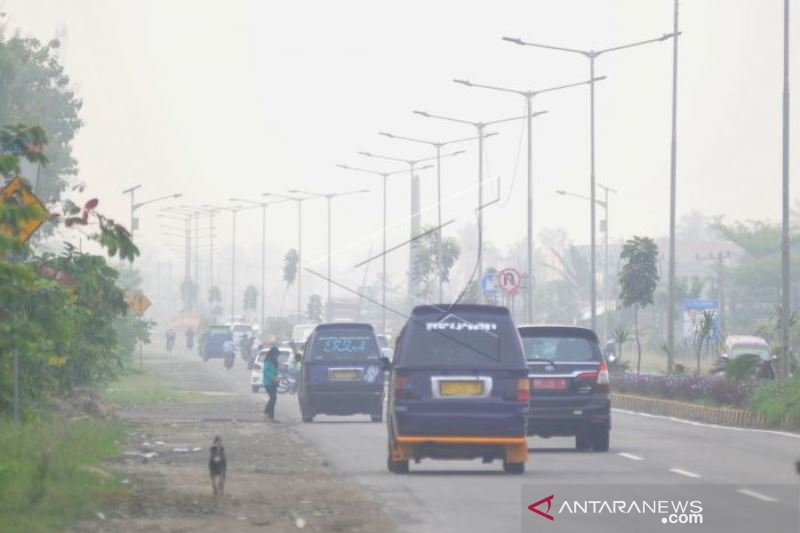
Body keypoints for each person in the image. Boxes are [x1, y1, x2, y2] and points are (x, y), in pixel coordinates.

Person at [262, 345, 280, 422]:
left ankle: (271, 417)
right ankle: (266, 414)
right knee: (273, 397)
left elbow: (275, 371)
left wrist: (277, 378)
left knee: (274, 398)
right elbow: (265, 371)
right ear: (272, 354)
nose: (276, 356)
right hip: (268, 382)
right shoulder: (268, 361)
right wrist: (272, 378)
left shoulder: (274, 361)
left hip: (274, 383)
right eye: (275, 355)